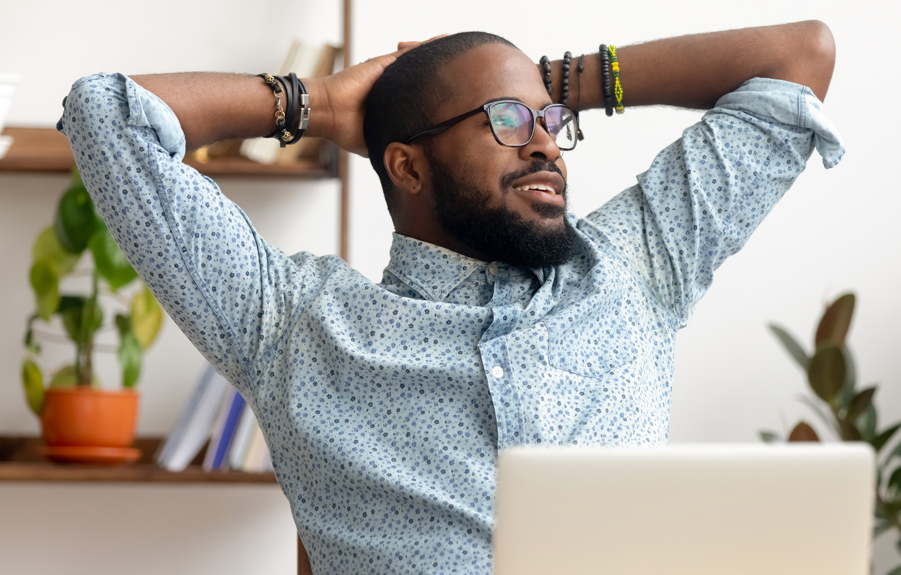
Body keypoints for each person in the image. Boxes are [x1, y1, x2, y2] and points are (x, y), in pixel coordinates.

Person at [58, 21, 843, 574]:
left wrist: (549, 80)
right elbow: (105, 114)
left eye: (549, 121)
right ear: (405, 167)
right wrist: (323, 104)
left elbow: (798, 56)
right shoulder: (291, 324)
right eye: (505, 120)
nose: (542, 141)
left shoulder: (633, 266)